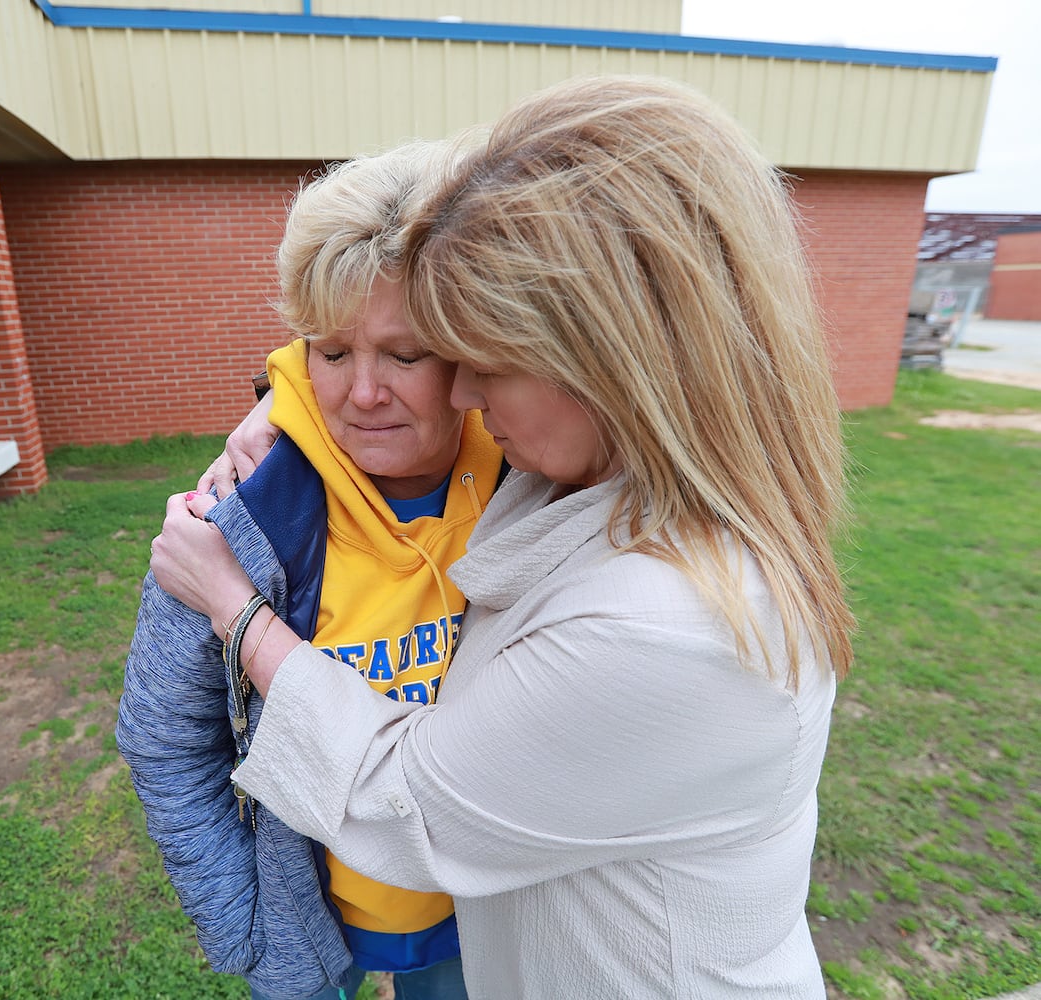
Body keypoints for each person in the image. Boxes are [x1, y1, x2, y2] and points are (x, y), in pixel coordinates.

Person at [148, 74, 856, 999]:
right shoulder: (595, 472)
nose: (468, 398)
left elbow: (400, 804)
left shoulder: (659, 626)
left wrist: (236, 613)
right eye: (333, 356)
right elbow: (165, 736)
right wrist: (281, 415)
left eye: (475, 360)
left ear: (610, 363)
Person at [115, 139, 504, 999]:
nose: (361, 393)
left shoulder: (530, 468)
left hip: (488, 908)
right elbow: (163, 738)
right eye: (331, 353)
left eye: (404, 356)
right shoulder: (245, 512)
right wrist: (247, 921)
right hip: (308, 913)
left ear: (477, 350)